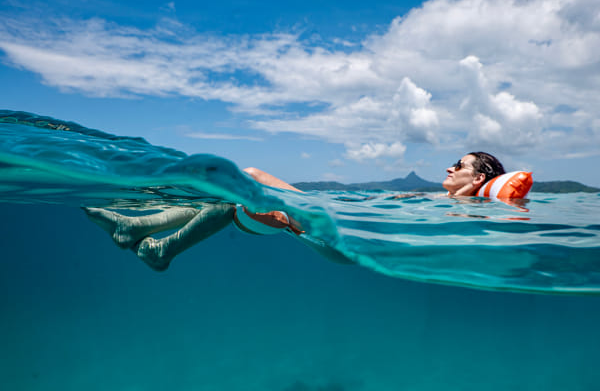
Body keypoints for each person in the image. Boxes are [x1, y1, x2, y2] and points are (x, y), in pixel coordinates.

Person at [84, 152, 505, 271]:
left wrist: (468, 200)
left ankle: (150, 240)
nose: (449, 168)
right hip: (333, 219)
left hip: (342, 235)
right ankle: (140, 232)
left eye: (460, 165)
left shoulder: (468, 213)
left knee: (244, 186)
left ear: (479, 178)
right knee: (243, 187)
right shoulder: (438, 200)